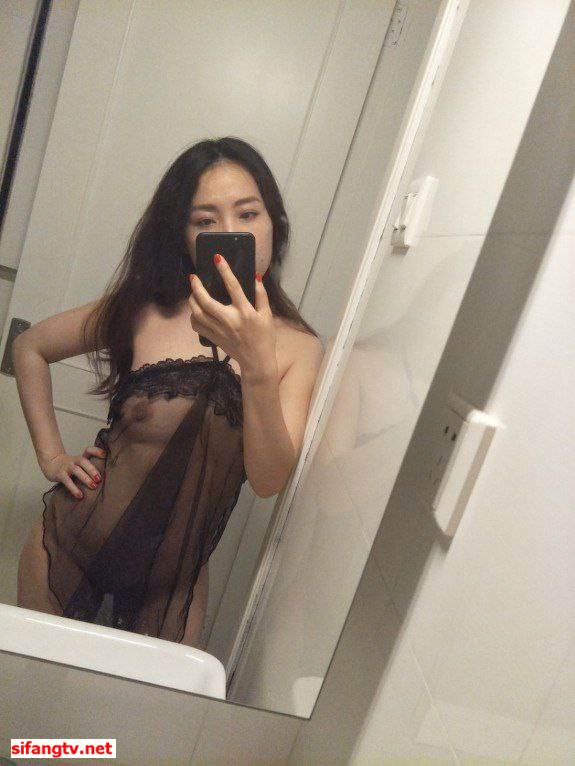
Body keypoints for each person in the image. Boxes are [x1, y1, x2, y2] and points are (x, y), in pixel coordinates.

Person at [13, 136, 324, 648]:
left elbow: (269, 480)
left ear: (276, 224)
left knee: (141, 703)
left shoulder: (298, 348)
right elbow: (30, 347)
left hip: (172, 589)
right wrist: (51, 457)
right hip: (68, 550)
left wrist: (257, 364)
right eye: (204, 221)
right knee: (39, 699)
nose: (228, 232)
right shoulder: (144, 307)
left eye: (248, 214)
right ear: (182, 235)